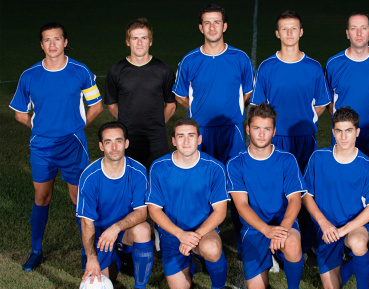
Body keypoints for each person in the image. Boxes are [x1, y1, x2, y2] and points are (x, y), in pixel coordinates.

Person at [9, 22, 103, 271]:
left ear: (65, 42)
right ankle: (36, 250)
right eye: (47, 40)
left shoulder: (80, 71)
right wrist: (41, 127)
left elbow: (96, 106)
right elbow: (20, 113)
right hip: (42, 146)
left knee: (78, 199)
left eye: (57, 39)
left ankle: (87, 252)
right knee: (42, 196)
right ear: (41, 44)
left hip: (73, 144)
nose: (52, 44)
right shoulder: (29, 76)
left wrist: (78, 127)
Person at [172, 3, 254, 258]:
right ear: (200, 27)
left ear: (224, 26)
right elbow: (181, 96)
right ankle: (206, 238)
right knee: (203, 185)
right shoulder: (190, 60)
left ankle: (246, 240)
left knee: (239, 186)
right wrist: (200, 111)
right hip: (201, 133)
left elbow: (248, 93)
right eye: (207, 22)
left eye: (216, 22)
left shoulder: (240, 58)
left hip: (232, 132)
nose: (212, 27)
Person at [250, 10, 331, 265]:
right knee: (275, 193)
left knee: (305, 191)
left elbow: (321, 104)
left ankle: (303, 243)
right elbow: (259, 107)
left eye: (293, 28)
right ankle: (273, 245)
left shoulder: (313, 67)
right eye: (284, 29)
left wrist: (308, 119)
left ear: (301, 32)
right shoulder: (267, 67)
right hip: (275, 140)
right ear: (277, 34)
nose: (289, 33)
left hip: (304, 138)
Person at [324, 12, 369, 266]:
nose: (359, 33)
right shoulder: (334, 64)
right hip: (345, 135)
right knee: (340, 187)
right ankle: (337, 242)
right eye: (354, 28)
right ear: (347, 33)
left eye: (363, 28)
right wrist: (346, 128)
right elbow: (330, 102)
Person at [226, 103, 307, 289]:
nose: (261, 134)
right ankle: (270, 255)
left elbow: (295, 201)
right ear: (247, 129)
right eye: (256, 128)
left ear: (274, 131)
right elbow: (241, 205)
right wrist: (266, 230)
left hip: (283, 222)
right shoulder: (235, 164)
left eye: (267, 129)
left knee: (290, 241)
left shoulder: (286, 160)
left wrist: (280, 230)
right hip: (255, 228)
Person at [302, 107, 369, 289]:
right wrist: (323, 222)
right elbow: (306, 196)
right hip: (326, 229)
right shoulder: (318, 158)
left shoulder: (367, 165)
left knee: (357, 242)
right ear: (332, 131)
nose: (343, 136)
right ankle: (356, 264)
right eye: (339, 131)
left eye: (349, 131)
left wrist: (344, 229)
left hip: (353, 226)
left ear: (357, 132)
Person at [146, 118, 231, 289]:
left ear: (199, 139)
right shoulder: (159, 167)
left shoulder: (214, 167)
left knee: (211, 248)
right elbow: (154, 210)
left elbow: (220, 211)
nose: (186, 141)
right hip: (173, 234)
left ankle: (218, 288)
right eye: (180, 136)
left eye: (191, 136)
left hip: (204, 231)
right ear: (174, 141)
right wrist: (181, 235)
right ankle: (193, 260)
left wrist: (195, 237)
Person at [77, 122, 154, 289]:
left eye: (118, 141)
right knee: (105, 278)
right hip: (101, 235)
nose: (114, 147)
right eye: (108, 142)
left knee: (143, 230)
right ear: (101, 146)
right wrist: (92, 257)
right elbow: (86, 222)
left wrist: (116, 228)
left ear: (126, 143)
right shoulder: (89, 176)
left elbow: (142, 213)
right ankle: (122, 256)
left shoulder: (138, 172)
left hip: (124, 230)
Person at [105, 18, 176, 170]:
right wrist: (126, 120)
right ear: (127, 41)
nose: (139, 43)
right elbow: (111, 104)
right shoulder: (116, 70)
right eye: (134, 38)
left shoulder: (163, 70)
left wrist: (157, 123)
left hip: (157, 140)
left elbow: (171, 104)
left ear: (150, 41)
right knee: (130, 182)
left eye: (143, 38)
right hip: (127, 138)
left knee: (159, 182)